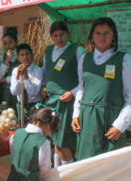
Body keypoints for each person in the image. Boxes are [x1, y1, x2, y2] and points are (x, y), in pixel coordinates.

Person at [71, 17, 131, 161]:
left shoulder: (125, 59)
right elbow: (81, 88)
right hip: (87, 119)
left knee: (109, 166)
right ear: (92, 35)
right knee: (85, 163)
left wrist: (120, 125)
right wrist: (76, 114)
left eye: (106, 33)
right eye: (98, 33)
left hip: (110, 121)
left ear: (114, 35)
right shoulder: (84, 59)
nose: (102, 37)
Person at [41, 21, 86, 167]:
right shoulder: (48, 51)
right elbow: (45, 72)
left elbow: (84, 79)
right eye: (55, 35)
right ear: (51, 37)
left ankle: (68, 174)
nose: (59, 38)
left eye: (62, 34)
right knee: (55, 140)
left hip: (67, 102)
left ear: (68, 34)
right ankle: (57, 172)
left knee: (63, 143)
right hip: (51, 101)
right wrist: (43, 86)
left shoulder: (78, 51)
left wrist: (72, 93)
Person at [8, 103, 60, 181]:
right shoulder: (43, 142)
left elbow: (13, 153)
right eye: (50, 130)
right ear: (48, 126)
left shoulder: (16, 133)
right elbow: (45, 170)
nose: (49, 133)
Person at [10, 43, 43, 126]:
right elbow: (14, 92)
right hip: (21, 107)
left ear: (32, 55)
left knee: (35, 129)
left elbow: (34, 92)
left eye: (27, 54)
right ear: (18, 57)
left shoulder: (38, 70)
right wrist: (18, 76)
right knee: (22, 129)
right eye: (22, 55)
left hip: (34, 107)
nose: (25, 57)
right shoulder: (15, 70)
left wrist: (26, 76)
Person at [0, 28, 21, 109]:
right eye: (5, 43)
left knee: (17, 111)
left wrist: (6, 79)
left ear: (16, 42)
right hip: (5, 91)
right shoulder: (2, 57)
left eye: (10, 42)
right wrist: (6, 61)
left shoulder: (21, 55)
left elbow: (23, 75)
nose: (8, 46)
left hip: (19, 90)